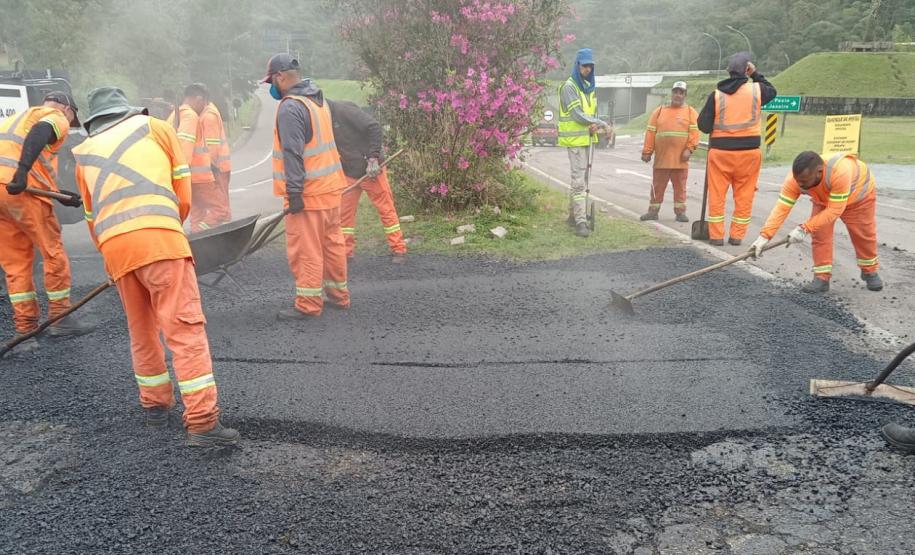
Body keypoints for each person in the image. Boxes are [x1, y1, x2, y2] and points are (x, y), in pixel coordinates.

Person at [73, 86, 238, 447]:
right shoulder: (156, 128)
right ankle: (202, 423)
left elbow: (91, 216)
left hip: (115, 248)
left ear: (95, 121)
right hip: (160, 240)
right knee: (184, 329)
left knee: (142, 329)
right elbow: (183, 190)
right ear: (128, 110)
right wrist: (169, 225)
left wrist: (111, 255)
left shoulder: (84, 152)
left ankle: (154, 406)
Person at [0, 91, 93, 354]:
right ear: (68, 109)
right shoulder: (54, 115)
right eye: (71, 119)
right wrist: (22, 172)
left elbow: (35, 163)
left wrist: (59, 194)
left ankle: (25, 329)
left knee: (16, 263)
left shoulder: (13, 121)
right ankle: (60, 318)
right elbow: (40, 133)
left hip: (3, 194)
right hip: (22, 192)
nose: (68, 125)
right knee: (53, 252)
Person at [264, 53, 349, 319]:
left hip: (309, 195)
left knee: (306, 250)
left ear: (280, 76)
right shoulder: (317, 100)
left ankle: (308, 304)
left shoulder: (291, 107)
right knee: (332, 245)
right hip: (330, 190)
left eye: (271, 81)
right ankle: (339, 296)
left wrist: (294, 192)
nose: (271, 87)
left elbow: (293, 153)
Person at [749, 151, 883, 293]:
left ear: (819, 172)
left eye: (804, 181)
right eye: (798, 181)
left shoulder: (839, 172)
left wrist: (804, 228)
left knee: (863, 235)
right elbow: (782, 208)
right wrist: (764, 237)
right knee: (820, 234)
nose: (800, 185)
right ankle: (822, 278)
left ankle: (869, 270)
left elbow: (834, 210)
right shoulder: (795, 180)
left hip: (858, 198)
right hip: (825, 198)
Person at [697, 52, 776, 246]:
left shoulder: (716, 95)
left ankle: (716, 236)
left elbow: (703, 126)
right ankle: (736, 236)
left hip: (720, 154)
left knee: (717, 195)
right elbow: (772, 91)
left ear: (728, 71)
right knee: (744, 196)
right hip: (749, 154)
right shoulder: (757, 90)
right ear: (746, 70)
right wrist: (755, 74)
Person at [330, 100, 407, 262]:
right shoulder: (321, 119)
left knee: (386, 210)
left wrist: (373, 159)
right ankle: (345, 252)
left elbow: (374, 127)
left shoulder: (343, 110)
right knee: (344, 215)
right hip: (349, 172)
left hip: (371, 170)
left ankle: (398, 249)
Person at [557, 48, 612, 238]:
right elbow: (577, 115)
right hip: (575, 141)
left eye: (590, 66)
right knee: (579, 181)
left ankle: (573, 215)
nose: (587, 69)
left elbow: (589, 114)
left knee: (582, 180)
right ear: (577, 65)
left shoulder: (588, 88)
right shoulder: (569, 87)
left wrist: (594, 125)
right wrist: (601, 123)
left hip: (587, 139)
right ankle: (580, 222)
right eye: (584, 65)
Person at [640, 81, 700, 223]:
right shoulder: (659, 111)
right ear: (671, 93)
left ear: (685, 95)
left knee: (680, 187)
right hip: (661, 160)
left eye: (681, 93)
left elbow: (694, 133)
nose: (678, 95)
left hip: (680, 160)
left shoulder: (690, 112)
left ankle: (680, 212)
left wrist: (689, 149)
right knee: (657, 186)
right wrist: (647, 151)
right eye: (675, 92)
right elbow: (650, 132)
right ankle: (653, 211)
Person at [167, 84, 221, 232]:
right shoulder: (190, 116)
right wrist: (183, 174)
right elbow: (184, 145)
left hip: (190, 179)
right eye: (204, 103)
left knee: (198, 214)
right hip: (200, 178)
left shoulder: (174, 115)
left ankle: (197, 238)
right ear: (198, 99)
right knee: (220, 211)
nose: (204, 108)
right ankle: (201, 234)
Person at [200, 97, 232, 225]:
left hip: (217, 167)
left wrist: (209, 167)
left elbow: (212, 145)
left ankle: (223, 231)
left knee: (221, 207)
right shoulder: (209, 112)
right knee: (221, 205)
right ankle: (225, 230)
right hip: (220, 165)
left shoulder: (208, 116)